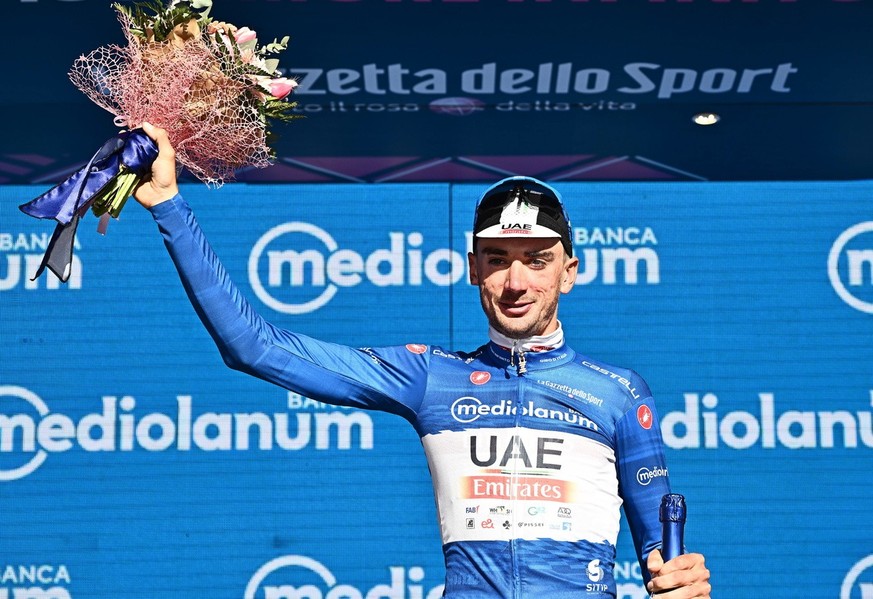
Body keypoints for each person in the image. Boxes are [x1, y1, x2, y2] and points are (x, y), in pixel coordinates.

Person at [133, 122, 712, 599]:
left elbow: (665, 558)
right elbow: (253, 346)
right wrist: (168, 204)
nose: (515, 281)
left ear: (569, 271)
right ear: (472, 268)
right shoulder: (431, 377)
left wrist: (681, 583)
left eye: (536, 260)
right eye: (497, 259)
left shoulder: (618, 392)